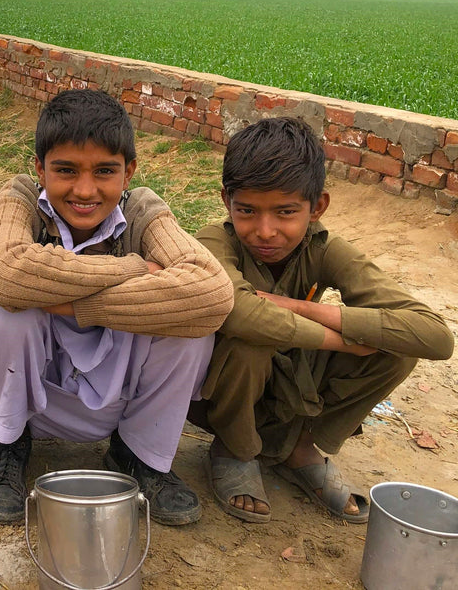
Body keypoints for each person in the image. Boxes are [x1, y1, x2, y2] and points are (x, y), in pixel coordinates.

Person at [0, 90, 234, 526]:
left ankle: (139, 455)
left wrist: (69, 303)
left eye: (105, 171)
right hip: (40, 392)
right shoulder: (20, 198)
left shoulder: (144, 210)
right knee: (5, 311)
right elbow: (6, 272)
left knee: (191, 326)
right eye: (66, 170)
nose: (85, 190)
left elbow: (212, 293)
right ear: (40, 168)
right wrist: (131, 268)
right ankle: (8, 446)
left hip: (115, 390)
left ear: (128, 172)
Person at [194, 117, 454, 524]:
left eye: (285, 212)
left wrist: (303, 308)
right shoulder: (215, 240)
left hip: (292, 379)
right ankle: (234, 447)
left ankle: (302, 447)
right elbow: (238, 309)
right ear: (227, 201)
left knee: (398, 350)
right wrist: (339, 341)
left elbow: (436, 336)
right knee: (249, 339)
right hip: (223, 387)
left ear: (317, 208)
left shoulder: (327, 250)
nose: (265, 231)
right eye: (247, 210)